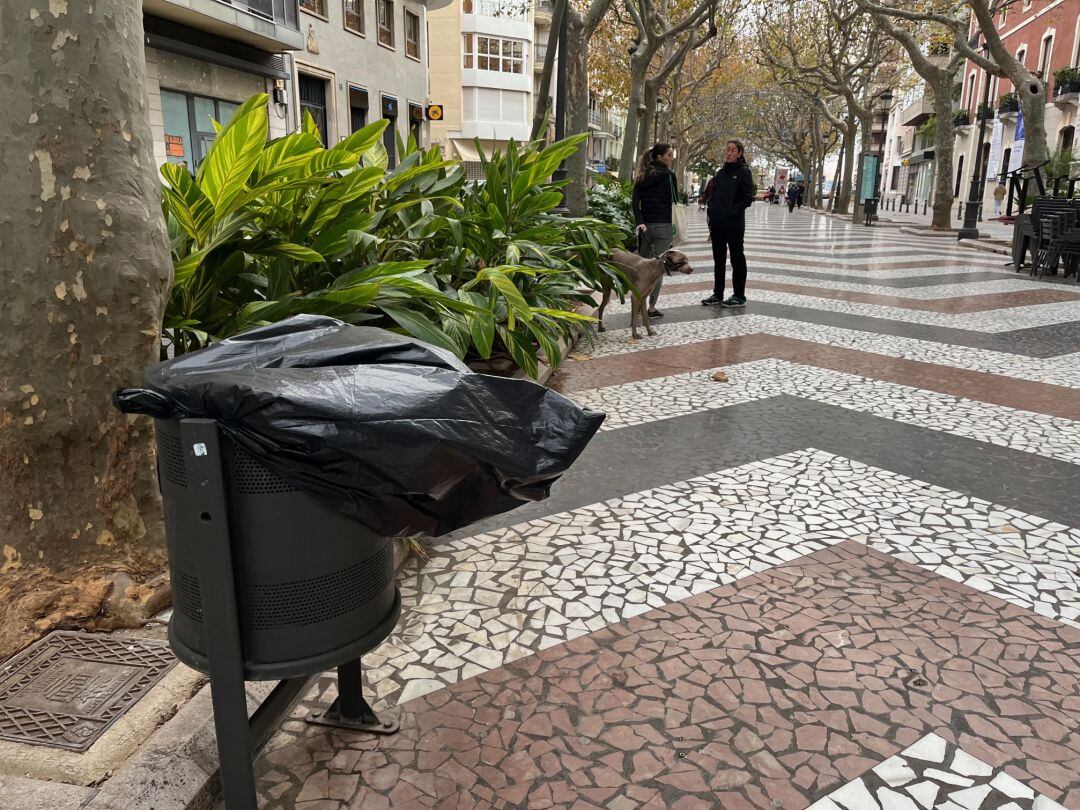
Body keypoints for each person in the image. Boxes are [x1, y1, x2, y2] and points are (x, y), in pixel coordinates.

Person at [702, 140, 755, 308]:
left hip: (734, 224)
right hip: (717, 224)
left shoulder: (744, 172)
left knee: (737, 259)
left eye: (733, 150)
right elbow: (714, 194)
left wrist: (733, 212)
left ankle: (739, 296)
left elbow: (747, 198)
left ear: (740, 153)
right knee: (718, 260)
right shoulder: (720, 173)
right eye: (728, 149)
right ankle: (718, 294)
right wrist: (712, 210)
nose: (729, 153)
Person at [631, 143, 679, 319]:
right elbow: (675, 199)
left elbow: (635, 202)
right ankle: (651, 307)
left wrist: (640, 222)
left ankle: (638, 304)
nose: (671, 158)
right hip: (663, 227)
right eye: (669, 155)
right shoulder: (670, 176)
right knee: (658, 268)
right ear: (660, 157)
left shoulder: (642, 174)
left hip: (645, 227)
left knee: (642, 268)